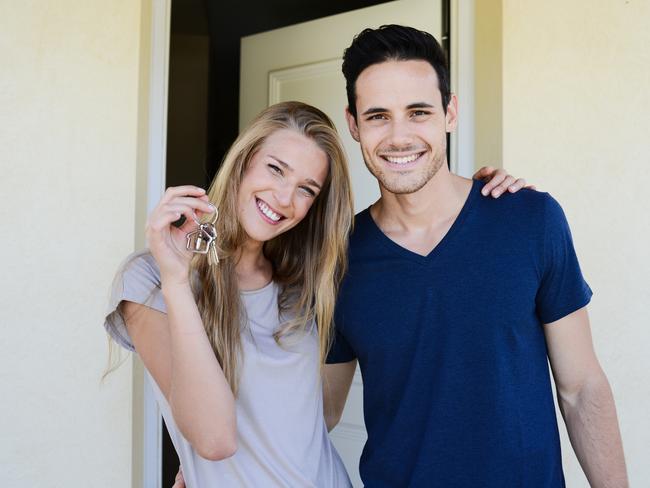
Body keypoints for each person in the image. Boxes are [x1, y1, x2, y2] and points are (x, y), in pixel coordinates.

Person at [104, 100, 524, 488]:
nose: (285, 198)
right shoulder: (152, 281)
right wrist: (178, 280)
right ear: (243, 163)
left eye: (307, 189)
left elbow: (317, 412)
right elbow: (214, 440)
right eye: (275, 169)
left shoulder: (305, 287)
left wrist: (474, 202)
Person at [323, 25, 628, 487]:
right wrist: (205, 457)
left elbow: (581, 388)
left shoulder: (528, 220)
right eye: (379, 116)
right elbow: (318, 412)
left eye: (419, 112)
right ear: (353, 125)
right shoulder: (337, 260)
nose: (399, 136)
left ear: (450, 113)